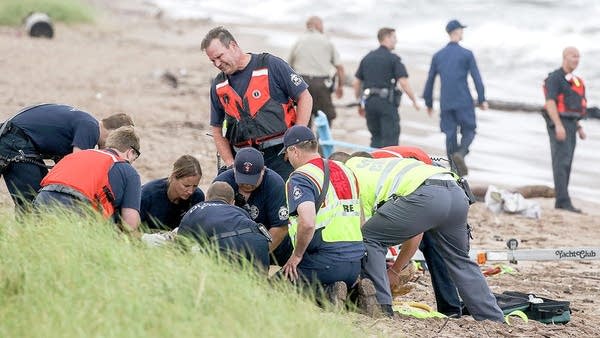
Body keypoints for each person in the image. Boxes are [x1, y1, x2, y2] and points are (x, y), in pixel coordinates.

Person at [345, 155, 504, 321]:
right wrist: (396, 269)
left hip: (426, 195)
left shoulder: (349, 176)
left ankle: (381, 306)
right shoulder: (375, 163)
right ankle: (493, 317)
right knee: (460, 261)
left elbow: (361, 232)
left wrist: (393, 271)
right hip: (456, 192)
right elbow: (416, 228)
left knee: (369, 238)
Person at [202, 26, 312, 180]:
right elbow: (216, 128)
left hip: (281, 154)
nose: (217, 64)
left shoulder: (271, 65)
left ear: (233, 46)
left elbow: (305, 97)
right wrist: (229, 161)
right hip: (244, 159)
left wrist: (295, 142)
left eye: (220, 57)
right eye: (213, 60)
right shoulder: (218, 86)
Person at [279, 125, 369, 308]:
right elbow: (361, 219)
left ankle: (330, 292)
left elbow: (308, 222)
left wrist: (296, 256)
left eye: (287, 155)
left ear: (293, 150)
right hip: (355, 260)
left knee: (277, 288)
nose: (287, 160)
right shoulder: (346, 171)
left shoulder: (302, 177)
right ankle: (354, 294)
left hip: (326, 259)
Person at [368, 145, 463, 317]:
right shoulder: (366, 170)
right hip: (428, 183)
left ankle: (450, 309)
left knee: (434, 246)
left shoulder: (376, 176)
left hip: (435, 184)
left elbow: (415, 231)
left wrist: (395, 270)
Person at [0, 103, 134, 213]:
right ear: (113, 133)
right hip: (14, 140)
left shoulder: (84, 122)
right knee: (33, 203)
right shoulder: (91, 128)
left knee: (40, 196)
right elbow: (77, 168)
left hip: (13, 136)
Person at [34, 126, 142, 231]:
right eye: (135, 157)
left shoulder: (78, 155)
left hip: (42, 199)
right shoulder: (129, 172)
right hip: (77, 210)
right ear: (130, 152)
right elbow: (130, 224)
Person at [422, 19, 487, 177]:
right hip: (464, 100)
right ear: (457, 32)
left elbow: (430, 80)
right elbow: (476, 77)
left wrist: (429, 102)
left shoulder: (438, 55)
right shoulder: (467, 54)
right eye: (461, 30)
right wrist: (481, 98)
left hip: (446, 102)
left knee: (450, 134)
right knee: (470, 129)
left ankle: (453, 171)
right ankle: (461, 153)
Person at [213, 147, 292, 265]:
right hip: (234, 245)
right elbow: (211, 219)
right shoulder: (221, 183)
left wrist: (255, 258)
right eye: (242, 179)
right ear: (234, 169)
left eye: (252, 180)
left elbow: (281, 228)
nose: (247, 184)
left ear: (263, 171)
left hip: (273, 246)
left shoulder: (275, 184)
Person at [178, 181, 270, 270]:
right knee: (256, 283)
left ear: (206, 198)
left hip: (224, 243)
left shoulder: (197, 209)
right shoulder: (241, 211)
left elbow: (181, 248)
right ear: (233, 203)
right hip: (259, 242)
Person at [353, 27, 420, 148]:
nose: (396, 41)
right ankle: (388, 165)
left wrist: (359, 101)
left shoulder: (367, 58)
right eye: (394, 37)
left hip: (370, 103)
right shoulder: (393, 59)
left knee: (376, 139)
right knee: (390, 141)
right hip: (386, 103)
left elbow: (356, 83)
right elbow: (403, 82)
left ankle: (374, 164)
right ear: (386, 38)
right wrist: (414, 100)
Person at [542, 47, 587, 213]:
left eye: (578, 56)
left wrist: (579, 127)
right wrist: (558, 124)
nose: (577, 59)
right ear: (565, 57)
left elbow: (572, 107)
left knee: (567, 162)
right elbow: (550, 103)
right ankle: (562, 201)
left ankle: (563, 199)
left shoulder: (574, 81)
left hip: (571, 124)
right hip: (558, 123)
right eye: (574, 56)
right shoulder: (555, 78)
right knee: (560, 162)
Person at [289, 16, 344, 126]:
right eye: (322, 25)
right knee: (327, 117)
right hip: (321, 85)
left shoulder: (299, 40)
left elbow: (289, 66)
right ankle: (322, 141)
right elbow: (340, 68)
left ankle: (306, 141)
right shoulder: (326, 41)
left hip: (301, 83)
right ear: (317, 25)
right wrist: (340, 86)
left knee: (303, 119)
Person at [140, 155, 205, 231]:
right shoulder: (148, 194)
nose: (190, 191)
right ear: (174, 177)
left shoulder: (197, 197)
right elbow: (128, 229)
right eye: (186, 186)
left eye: (195, 186)